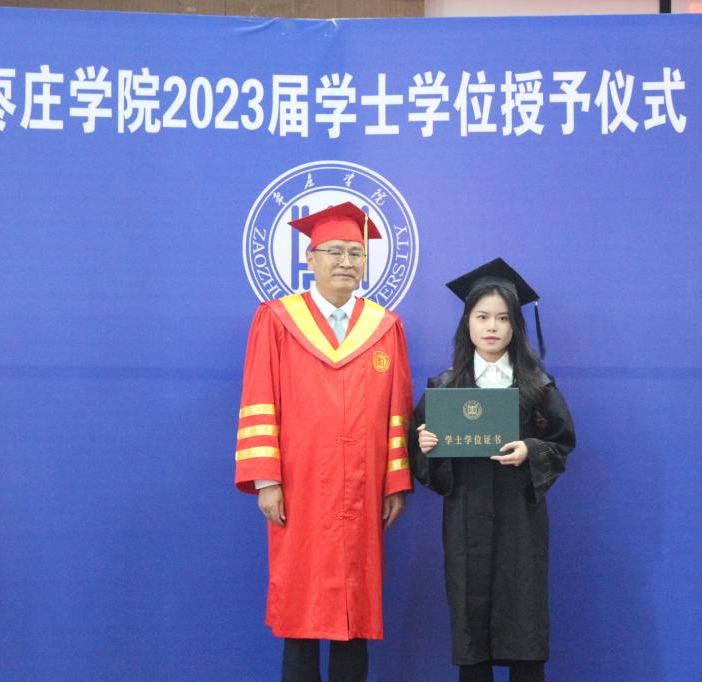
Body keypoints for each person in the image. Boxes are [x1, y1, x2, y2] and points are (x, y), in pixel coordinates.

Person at [234, 202, 413, 682]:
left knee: (355, 607)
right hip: (300, 487)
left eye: (356, 253)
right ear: (310, 259)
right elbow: (258, 399)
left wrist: (395, 482)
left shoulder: (385, 327)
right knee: (301, 605)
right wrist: (267, 480)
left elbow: (398, 413)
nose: (346, 261)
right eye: (334, 251)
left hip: (361, 489)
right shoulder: (277, 320)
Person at [408, 258, 576, 682]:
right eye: (482, 316)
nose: (492, 327)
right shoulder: (445, 387)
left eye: (503, 318)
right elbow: (422, 456)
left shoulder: (538, 386)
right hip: (466, 520)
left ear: (516, 325)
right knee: (472, 626)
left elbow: (562, 443)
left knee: (524, 623)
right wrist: (427, 447)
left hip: (521, 520)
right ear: (467, 322)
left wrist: (530, 450)